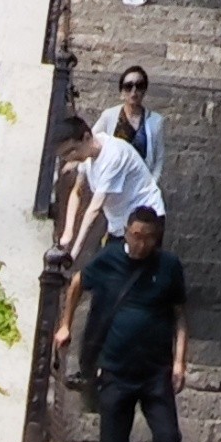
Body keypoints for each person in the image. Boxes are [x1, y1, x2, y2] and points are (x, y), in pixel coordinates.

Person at [89, 202, 189, 442]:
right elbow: (78, 284)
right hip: (115, 372)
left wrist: (179, 361)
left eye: (148, 238)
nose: (141, 244)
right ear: (126, 232)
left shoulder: (169, 268)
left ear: (157, 238)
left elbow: (180, 316)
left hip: (155, 374)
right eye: (135, 236)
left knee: (168, 438)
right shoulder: (109, 259)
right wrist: (65, 325)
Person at [53, 114, 164, 394]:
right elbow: (78, 193)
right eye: (65, 154)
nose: (71, 157)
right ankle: (88, 370)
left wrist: (75, 251)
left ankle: (126, 370)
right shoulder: (88, 157)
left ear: (87, 137)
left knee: (126, 295)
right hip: (119, 227)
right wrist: (66, 234)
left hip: (145, 224)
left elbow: (93, 209)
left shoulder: (112, 155)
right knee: (102, 293)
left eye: (72, 151)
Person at [102, 63, 165, 187]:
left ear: (144, 90)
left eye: (139, 86)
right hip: (113, 186)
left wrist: (151, 185)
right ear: (122, 91)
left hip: (141, 187)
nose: (134, 91)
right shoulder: (109, 116)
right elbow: (92, 142)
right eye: (128, 86)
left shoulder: (155, 121)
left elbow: (159, 159)